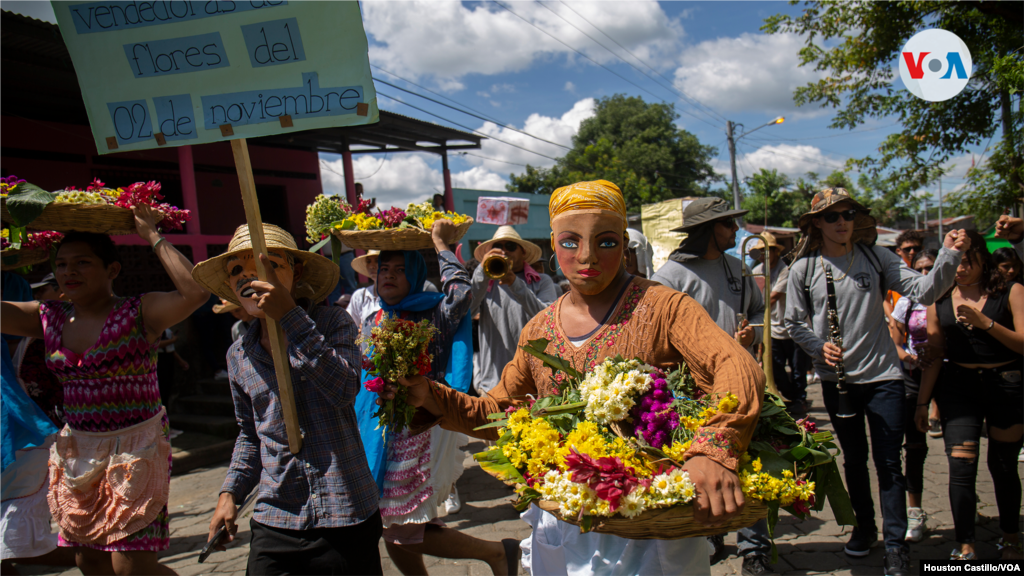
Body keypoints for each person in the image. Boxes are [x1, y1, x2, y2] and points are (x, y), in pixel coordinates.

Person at [376, 180, 766, 576]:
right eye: (569, 242)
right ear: (551, 244)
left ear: (626, 247)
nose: (587, 256)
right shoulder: (540, 329)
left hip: (649, 523)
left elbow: (736, 366)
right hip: (564, 520)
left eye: (607, 242)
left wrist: (713, 448)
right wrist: (430, 395)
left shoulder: (663, 307)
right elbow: (496, 411)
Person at [0, 205, 210, 576]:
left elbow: (194, 292)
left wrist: (150, 234)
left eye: (82, 263)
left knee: (131, 567)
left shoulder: (138, 312)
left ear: (112, 269)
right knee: (90, 561)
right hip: (79, 451)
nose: (69, 272)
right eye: (62, 264)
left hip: (137, 448)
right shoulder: (47, 317)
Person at [784, 188, 969, 576]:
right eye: (832, 216)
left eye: (848, 214)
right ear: (817, 222)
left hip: (884, 377)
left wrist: (950, 254)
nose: (842, 222)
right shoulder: (804, 268)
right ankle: (864, 528)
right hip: (839, 381)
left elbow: (925, 290)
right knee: (854, 458)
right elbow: (792, 322)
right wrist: (818, 347)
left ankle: (896, 543)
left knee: (889, 462)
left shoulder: (876, 256)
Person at [199, 223, 384, 576]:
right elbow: (249, 435)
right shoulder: (239, 354)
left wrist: (289, 318)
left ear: (295, 273)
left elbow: (343, 388)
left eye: (265, 266)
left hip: (344, 509)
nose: (248, 278)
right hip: (277, 514)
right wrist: (230, 494)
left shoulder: (333, 323)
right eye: (237, 270)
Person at [353, 221, 517, 576]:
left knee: (397, 527)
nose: (389, 276)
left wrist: (441, 245)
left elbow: (462, 294)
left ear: (415, 274)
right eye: (384, 269)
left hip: (422, 426)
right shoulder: (372, 318)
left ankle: (498, 552)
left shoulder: (434, 313)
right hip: (382, 431)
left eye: (400, 270)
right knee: (392, 524)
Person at [650, 197, 771, 574]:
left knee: (749, 464)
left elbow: (757, 310)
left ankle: (755, 548)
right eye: (727, 225)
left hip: (741, 385)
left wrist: (753, 334)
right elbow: (658, 334)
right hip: (691, 391)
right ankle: (710, 534)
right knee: (706, 463)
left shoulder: (738, 267)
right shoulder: (669, 276)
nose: (735, 231)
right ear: (706, 229)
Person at [914, 232, 1024, 561]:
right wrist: (923, 401)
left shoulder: (1011, 290)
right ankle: (965, 544)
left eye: (967, 261)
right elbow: (935, 354)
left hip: (1006, 383)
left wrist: (985, 323)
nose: (960, 268)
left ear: (982, 259)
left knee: (1003, 465)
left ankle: (1010, 536)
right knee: (961, 466)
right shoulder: (941, 296)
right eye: (954, 261)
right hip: (959, 386)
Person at [889, 250, 940, 543]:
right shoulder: (906, 302)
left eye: (931, 268)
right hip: (913, 376)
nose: (924, 274)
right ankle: (914, 510)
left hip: (949, 376)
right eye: (919, 268)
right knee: (915, 446)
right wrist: (909, 357)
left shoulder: (949, 297)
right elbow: (894, 338)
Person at [471, 226, 558, 396]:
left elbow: (548, 319)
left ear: (523, 252)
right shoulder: (485, 284)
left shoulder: (543, 282)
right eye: (498, 247)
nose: (504, 251)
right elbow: (466, 310)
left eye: (510, 246)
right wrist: (481, 272)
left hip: (534, 382)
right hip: (493, 384)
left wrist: (514, 283)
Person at [752, 232, 810, 416]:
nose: (764, 255)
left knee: (797, 367)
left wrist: (755, 309)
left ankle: (799, 398)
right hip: (772, 329)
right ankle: (790, 396)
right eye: (761, 252)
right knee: (776, 368)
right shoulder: (755, 272)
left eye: (767, 251)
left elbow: (773, 297)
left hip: (791, 327)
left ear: (776, 252)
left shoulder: (786, 270)